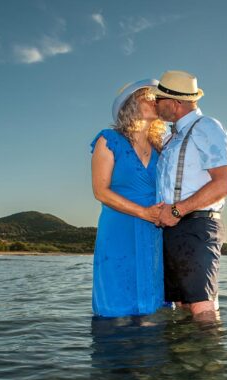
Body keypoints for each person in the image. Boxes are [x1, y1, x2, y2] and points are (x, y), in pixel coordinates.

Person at [152, 70, 227, 322]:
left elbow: (224, 183)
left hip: (197, 225)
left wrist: (177, 210)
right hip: (171, 230)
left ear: (175, 103)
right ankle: (186, 360)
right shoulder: (171, 138)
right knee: (181, 307)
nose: (155, 104)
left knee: (202, 307)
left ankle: (209, 361)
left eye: (159, 99)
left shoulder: (206, 126)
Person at [89, 79, 167, 317]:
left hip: (155, 229)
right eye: (150, 96)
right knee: (117, 302)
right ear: (131, 103)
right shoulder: (108, 140)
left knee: (154, 305)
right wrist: (143, 212)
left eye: (159, 98)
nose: (157, 101)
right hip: (119, 226)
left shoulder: (161, 147)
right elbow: (100, 192)